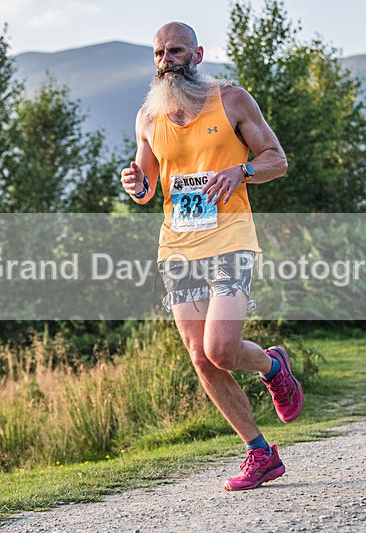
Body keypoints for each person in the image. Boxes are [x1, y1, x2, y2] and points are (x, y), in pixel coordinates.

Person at [120, 21, 303, 491]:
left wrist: (240, 171)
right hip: (178, 244)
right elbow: (146, 184)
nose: (166, 60)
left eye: (176, 51)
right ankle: (260, 453)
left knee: (221, 349)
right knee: (201, 358)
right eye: (159, 53)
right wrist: (136, 185)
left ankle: (273, 368)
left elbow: (276, 160)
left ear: (197, 54)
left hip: (230, 236)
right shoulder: (148, 117)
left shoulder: (232, 100)